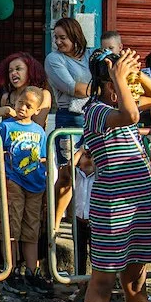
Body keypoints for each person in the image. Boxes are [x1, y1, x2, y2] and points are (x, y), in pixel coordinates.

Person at [79, 48, 151, 302]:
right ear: (105, 82)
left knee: (136, 283)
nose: (129, 85)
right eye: (121, 80)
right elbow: (130, 114)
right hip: (112, 207)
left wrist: (135, 73)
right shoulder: (97, 111)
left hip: (140, 204)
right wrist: (116, 75)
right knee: (102, 283)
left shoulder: (122, 99)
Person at [0, 85, 49, 294]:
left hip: (35, 183)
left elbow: (43, 157)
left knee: (32, 228)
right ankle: (12, 269)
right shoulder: (6, 127)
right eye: (20, 103)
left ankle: (31, 271)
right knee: (12, 226)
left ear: (36, 110)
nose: (23, 108)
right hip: (13, 180)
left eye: (29, 106)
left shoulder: (39, 131)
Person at [46, 17, 92, 227]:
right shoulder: (54, 59)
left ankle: (83, 223)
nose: (58, 42)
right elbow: (71, 87)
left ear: (75, 36)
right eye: (56, 37)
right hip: (70, 120)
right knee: (67, 174)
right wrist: (99, 88)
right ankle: (52, 226)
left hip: (93, 118)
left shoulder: (90, 55)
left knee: (90, 171)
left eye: (63, 37)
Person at [0, 51, 51, 128]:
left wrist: (8, 111)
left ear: (30, 71)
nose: (13, 73)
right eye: (10, 71)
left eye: (18, 69)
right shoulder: (6, 98)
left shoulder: (43, 94)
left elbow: (36, 126)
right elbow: (6, 126)